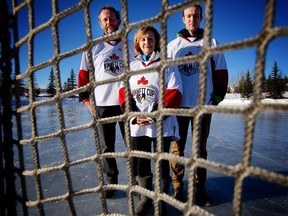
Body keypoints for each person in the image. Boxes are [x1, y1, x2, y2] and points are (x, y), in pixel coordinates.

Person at [167, 4, 229, 206]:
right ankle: (177, 187)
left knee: (200, 150)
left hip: (203, 106)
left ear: (201, 17)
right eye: (188, 16)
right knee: (177, 148)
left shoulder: (212, 42)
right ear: (183, 19)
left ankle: (199, 188)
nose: (192, 19)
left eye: (196, 15)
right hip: (179, 107)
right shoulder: (172, 46)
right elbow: (164, 76)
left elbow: (221, 72)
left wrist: (217, 98)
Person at [119, 26, 182, 215]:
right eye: (143, 39)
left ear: (157, 42)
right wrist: (133, 114)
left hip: (161, 123)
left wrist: (154, 114)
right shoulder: (132, 66)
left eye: (151, 39)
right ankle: (146, 197)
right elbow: (123, 93)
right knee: (142, 162)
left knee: (161, 161)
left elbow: (175, 92)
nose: (147, 42)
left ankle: (161, 199)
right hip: (138, 124)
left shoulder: (167, 63)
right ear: (137, 43)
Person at [77, 6, 136, 198]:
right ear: (100, 24)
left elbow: (141, 73)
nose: (108, 22)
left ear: (118, 21)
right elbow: (83, 78)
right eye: (104, 19)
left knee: (132, 144)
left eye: (111, 18)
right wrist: (87, 102)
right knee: (106, 147)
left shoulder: (129, 46)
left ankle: (136, 181)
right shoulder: (92, 48)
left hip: (126, 104)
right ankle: (111, 182)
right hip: (102, 105)